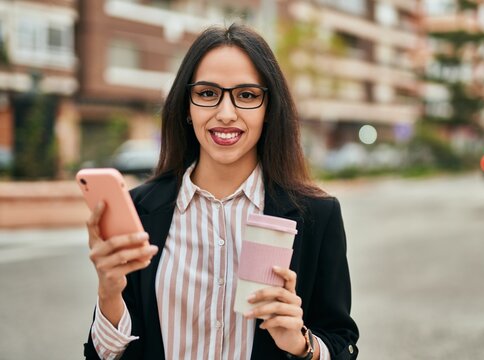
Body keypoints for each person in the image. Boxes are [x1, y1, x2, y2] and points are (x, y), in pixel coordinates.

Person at [83, 23, 359, 360]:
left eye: (246, 95)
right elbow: (105, 356)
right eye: (207, 93)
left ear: (269, 109)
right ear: (186, 106)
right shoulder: (141, 210)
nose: (225, 114)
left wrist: (302, 343)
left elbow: (341, 342)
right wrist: (109, 293)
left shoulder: (316, 214)